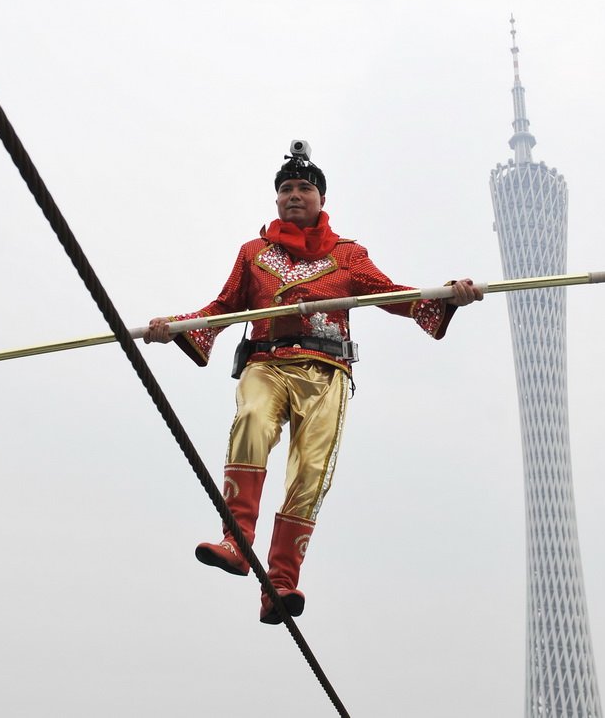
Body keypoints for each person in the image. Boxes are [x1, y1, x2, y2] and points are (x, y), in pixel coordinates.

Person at [143, 142, 483, 624]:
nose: (294, 195)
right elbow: (222, 309)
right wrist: (176, 326)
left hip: (326, 372)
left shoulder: (347, 256)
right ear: (276, 200)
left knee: (311, 472)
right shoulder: (253, 254)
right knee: (252, 421)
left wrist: (447, 295)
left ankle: (281, 581)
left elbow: (392, 294)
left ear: (322, 199)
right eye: (286, 189)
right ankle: (235, 542)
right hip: (267, 362)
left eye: (304, 188)